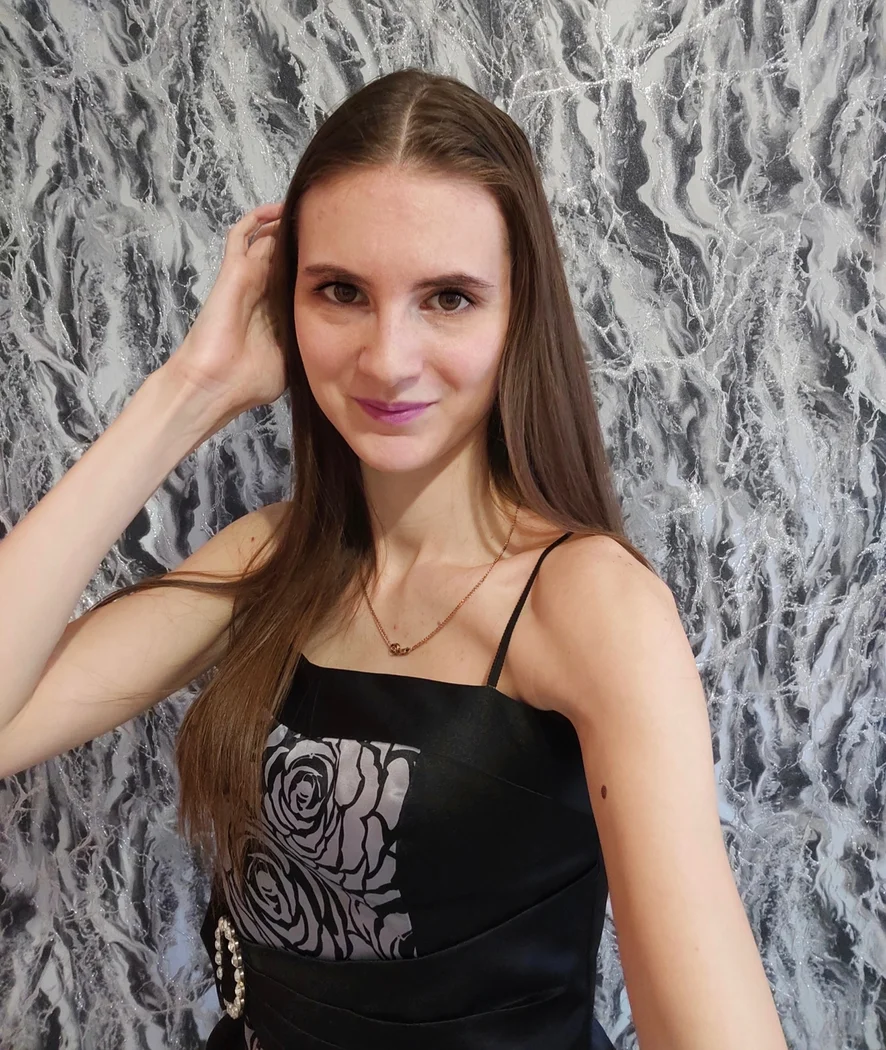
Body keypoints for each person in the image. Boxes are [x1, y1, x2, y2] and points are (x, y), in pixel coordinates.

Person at [0, 68, 788, 1050]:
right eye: (340, 292)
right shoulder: (268, 560)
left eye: (448, 298)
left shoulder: (590, 605)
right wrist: (191, 391)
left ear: (518, 315)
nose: (387, 359)